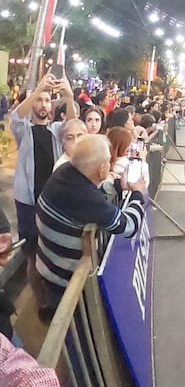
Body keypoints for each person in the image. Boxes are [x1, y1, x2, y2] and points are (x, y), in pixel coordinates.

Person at [36, 134, 145, 321]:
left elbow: (95, 190)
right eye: (107, 161)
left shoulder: (65, 172)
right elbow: (129, 227)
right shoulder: (87, 199)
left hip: (47, 266)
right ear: (101, 167)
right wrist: (137, 195)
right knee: (73, 326)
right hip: (66, 281)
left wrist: (120, 186)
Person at [11, 73, 76, 309]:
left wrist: (68, 97)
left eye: (48, 100)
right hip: (28, 203)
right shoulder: (24, 130)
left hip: (53, 204)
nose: (43, 105)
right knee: (31, 255)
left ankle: (55, 298)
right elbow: (15, 117)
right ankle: (40, 303)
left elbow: (74, 126)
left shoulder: (57, 130)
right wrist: (38, 89)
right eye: (40, 100)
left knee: (53, 252)